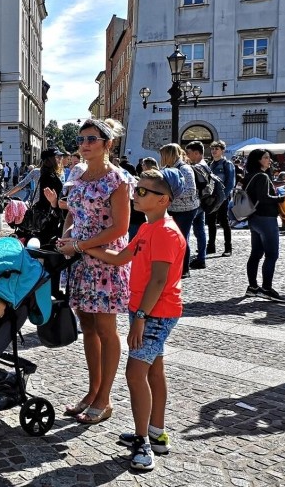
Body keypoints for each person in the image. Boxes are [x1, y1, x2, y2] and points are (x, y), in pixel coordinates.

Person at [83, 168, 186, 471]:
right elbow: (119, 258)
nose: (135, 195)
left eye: (143, 192)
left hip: (155, 311)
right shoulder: (146, 228)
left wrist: (140, 316)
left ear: (164, 199)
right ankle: (156, 433)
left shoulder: (166, 232)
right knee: (154, 369)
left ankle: (143, 443)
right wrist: (82, 246)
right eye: (136, 189)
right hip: (146, 308)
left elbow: (158, 280)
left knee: (135, 373)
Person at [55, 118, 133, 425]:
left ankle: (105, 398)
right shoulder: (77, 172)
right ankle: (92, 391)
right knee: (87, 326)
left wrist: (80, 243)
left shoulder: (118, 180)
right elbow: (74, 212)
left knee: (106, 329)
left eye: (92, 139)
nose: (85, 144)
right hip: (80, 259)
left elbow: (120, 226)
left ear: (107, 144)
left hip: (104, 260)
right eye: (81, 139)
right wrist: (68, 237)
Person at [242, 149, 285, 301]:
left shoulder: (249, 175)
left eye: (269, 157)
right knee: (272, 254)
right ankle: (266, 288)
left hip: (254, 218)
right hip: (266, 218)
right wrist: (281, 198)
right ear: (258, 160)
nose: (269, 160)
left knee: (256, 253)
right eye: (266, 158)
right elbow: (264, 197)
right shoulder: (261, 176)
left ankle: (253, 287)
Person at [159, 144, 198, 278]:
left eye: (163, 155)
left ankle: (184, 269)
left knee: (181, 237)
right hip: (171, 208)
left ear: (169, 155)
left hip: (186, 209)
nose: (161, 158)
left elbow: (191, 190)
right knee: (171, 239)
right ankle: (174, 266)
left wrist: (170, 194)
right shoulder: (165, 169)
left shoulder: (185, 169)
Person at [26, 148, 64, 247]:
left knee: (43, 240)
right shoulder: (49, 176)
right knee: (45, 242)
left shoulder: (48, 173)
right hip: (48, 213)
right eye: (57, 157)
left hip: (47, 211)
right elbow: (48, 197)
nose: (60, 159)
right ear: (51, 159)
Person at [184, 141, 209, 270]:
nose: (186, 155)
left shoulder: (195, 167)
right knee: (200, 231)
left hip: (195, 203)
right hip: (203, 202)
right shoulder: (205, 166)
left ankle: (186, 260)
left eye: (188, 153)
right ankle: (201, 258)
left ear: (196, 153)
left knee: (186, 231)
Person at [207, 140, 235, 257]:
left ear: (222, 150)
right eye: (212, 149)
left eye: (216, 149)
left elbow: (230, 183)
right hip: (212, 197)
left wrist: (223, 196)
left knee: (224, 221)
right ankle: (211, 246)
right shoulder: (210, 164)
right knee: (210, 222)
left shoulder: (227, 164)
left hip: (222, 197)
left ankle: (228, 247)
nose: (214, 151)